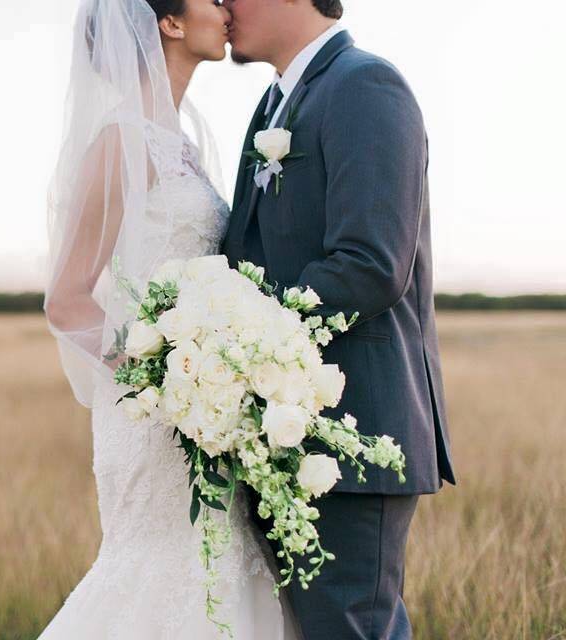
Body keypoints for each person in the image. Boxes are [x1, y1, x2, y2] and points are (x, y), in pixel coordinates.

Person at [41, 0, 299, 637]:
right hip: (157, 417)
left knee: (222, 572)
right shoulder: (119, 141)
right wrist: (166, 379)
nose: (228, 7)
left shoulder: (181, 139)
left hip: (207, 414)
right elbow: (67, 298)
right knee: (160, 572)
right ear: (171, 23)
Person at [221, 1, 457, 638]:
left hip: (354, 433)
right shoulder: (272, 107)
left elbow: (370, 265)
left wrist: (231, 333)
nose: (220, 4)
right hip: (281, 433)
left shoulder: (365, 86)